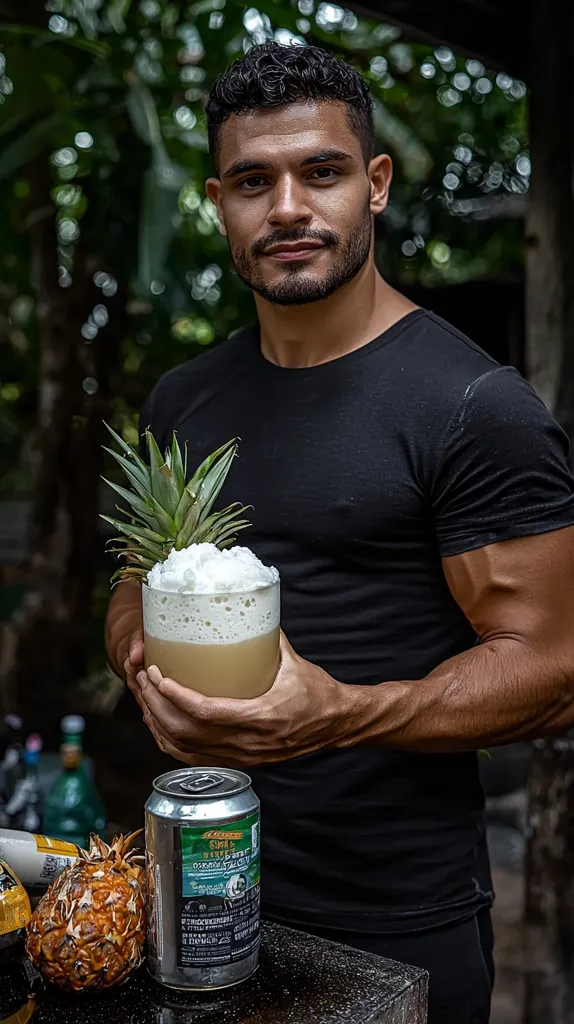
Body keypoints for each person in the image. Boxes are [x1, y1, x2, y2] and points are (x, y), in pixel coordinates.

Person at [105, 43, 574, 1022]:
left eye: (319, 171)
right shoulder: (185, 398)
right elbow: (133, 579)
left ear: (374, 184)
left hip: (393, 914)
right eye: (251, 180)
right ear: (217, 200)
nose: (286, 207)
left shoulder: (472, 405)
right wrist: (143, 657)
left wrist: (338, 712)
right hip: (194, 885)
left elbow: (554, 666)